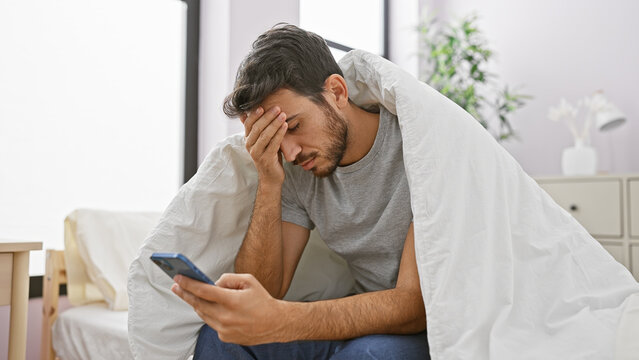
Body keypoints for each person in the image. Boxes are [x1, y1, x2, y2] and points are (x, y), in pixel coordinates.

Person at [170, 24, 429, 359]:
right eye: (277, 138)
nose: (290, 152)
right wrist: (269, 178)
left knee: (368, 356)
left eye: (293, 126)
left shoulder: (418, 148)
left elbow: (412, 306)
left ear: (337, 92)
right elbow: (263, 290)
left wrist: (282, 320)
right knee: (225, 338)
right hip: (359, 326)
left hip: (424, 328)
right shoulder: (298, 168)